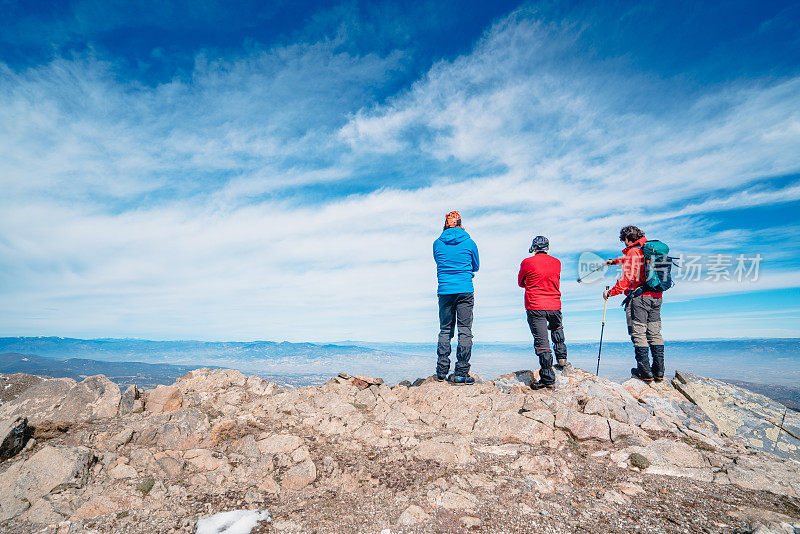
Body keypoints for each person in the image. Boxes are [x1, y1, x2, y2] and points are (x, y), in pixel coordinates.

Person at [603, 225, 665, 382]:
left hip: (640, 298)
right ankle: (658, 372)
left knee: (638, 334)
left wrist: (610, 293)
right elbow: (630, 261)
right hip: (656, 296)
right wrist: (614, 262)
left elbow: (627, 279)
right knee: (654, 333)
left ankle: (645, 373)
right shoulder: (646, 249)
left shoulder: (633, 251)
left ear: (625, 239)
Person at [433, 211, 480, 385]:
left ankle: (441, 371)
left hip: (445, 290)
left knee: (445, 330)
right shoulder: (470, 243)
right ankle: (461, 372)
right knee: (465, 330)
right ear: (460, 224)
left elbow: (440, 262)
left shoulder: (437, 244)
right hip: (465, 289)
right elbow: (476, 266)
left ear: (445, 225)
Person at [518, 236, 568, 391]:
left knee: (542, 344)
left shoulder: (527, 262)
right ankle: (562, 359)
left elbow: (521, 282)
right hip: (554, 304)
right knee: (557, 328)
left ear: (534, 248)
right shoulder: (557, 262)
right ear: (547, 248)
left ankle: (548, 379)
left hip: (535, 306)